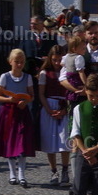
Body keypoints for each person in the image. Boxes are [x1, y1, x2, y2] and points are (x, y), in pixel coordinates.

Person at [0, 48, 35, 187]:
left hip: (22, 112)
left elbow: (32, 96)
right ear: (10, 62)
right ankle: (12, 173)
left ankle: (22, 174)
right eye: (16, 62)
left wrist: (26, 101)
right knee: (9, 142)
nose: (19, 65)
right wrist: (10, 100)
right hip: (8, 112)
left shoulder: (27, 77)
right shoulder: (5, 77)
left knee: (22, 142)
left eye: (22, 62)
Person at [36, 45, 72, 186]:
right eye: (55, 60)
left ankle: (65, 170)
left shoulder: (67, 72)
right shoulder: (45, 73)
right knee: (49, 141)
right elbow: (41, 94)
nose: (57, 63)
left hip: (64, 106)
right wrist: (49, 110)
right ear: (50, 59)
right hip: (49, 107)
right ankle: (53, 170)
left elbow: (70, 93)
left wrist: (65, 110)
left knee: (65, 141)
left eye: (60, 60)